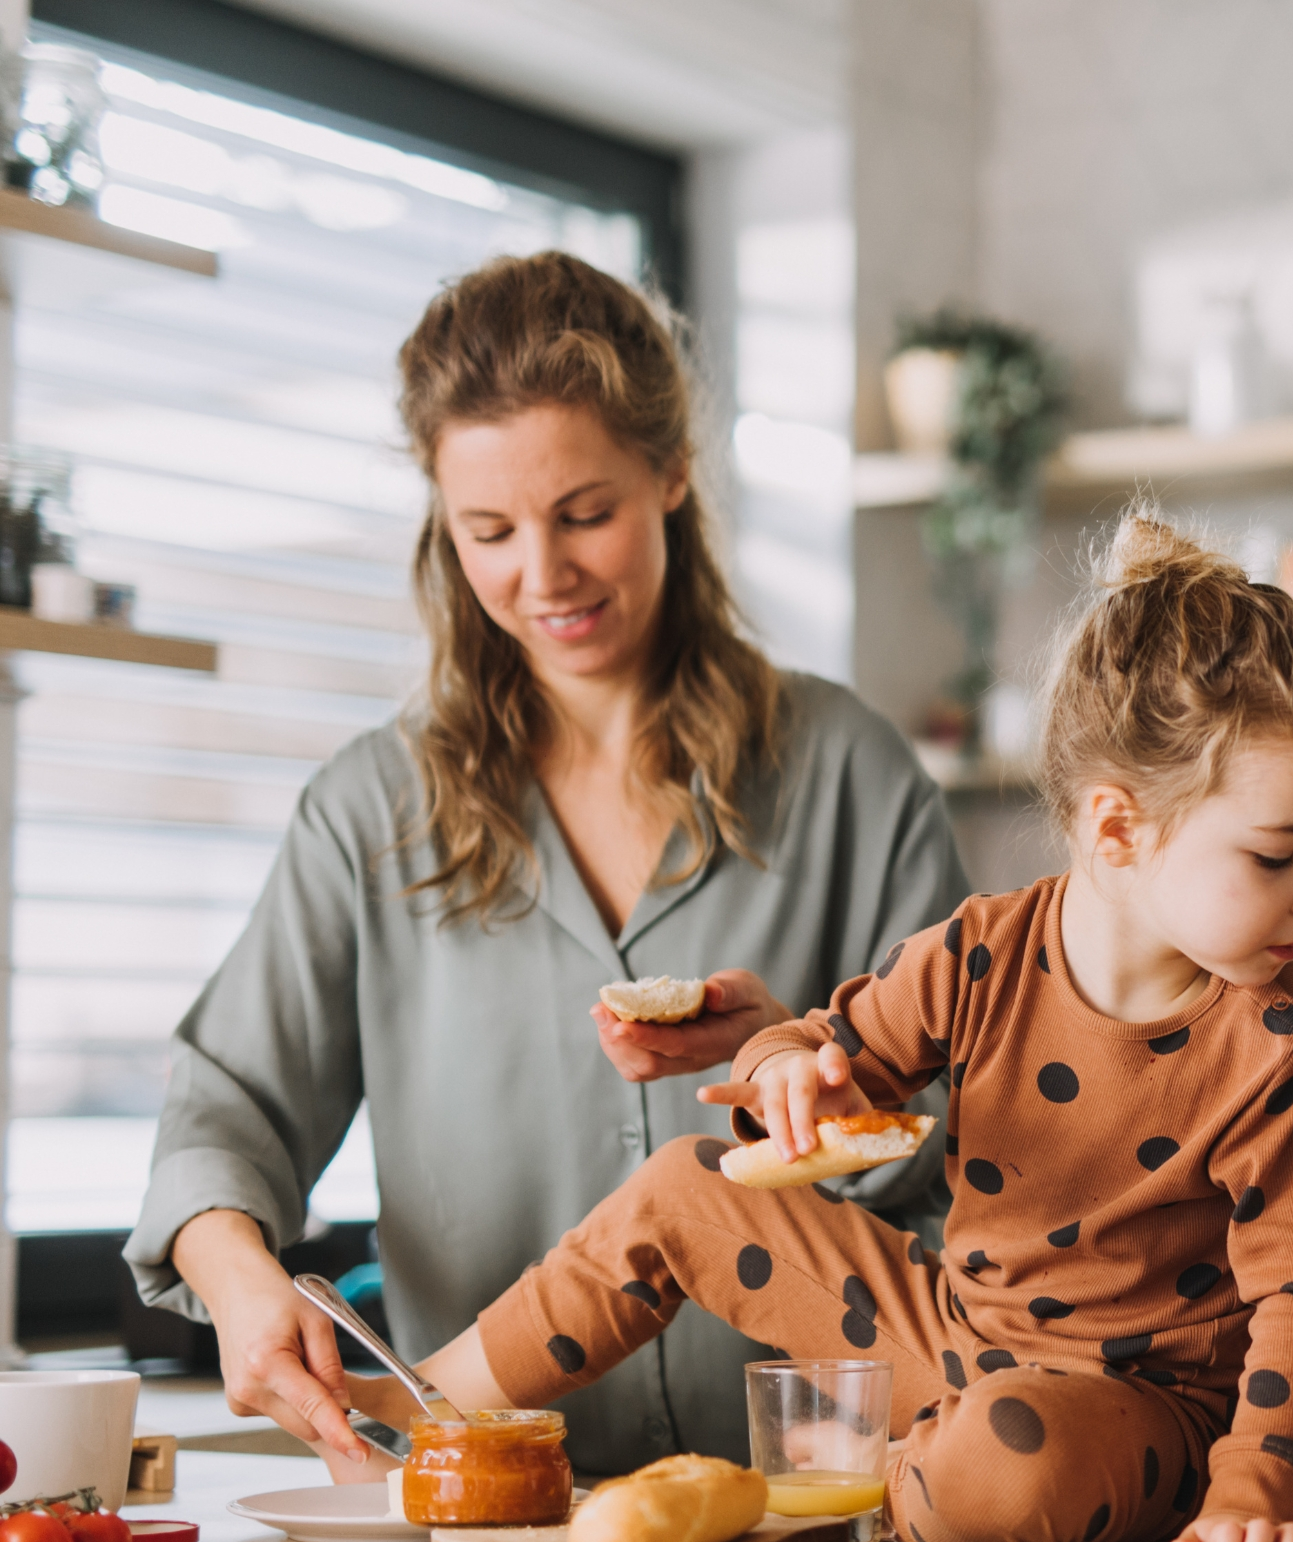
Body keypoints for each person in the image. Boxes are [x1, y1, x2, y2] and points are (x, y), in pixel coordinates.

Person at [351, 513, 1293, 1542]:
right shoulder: (979, 951)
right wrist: (784, 1073)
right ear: (1117, 828)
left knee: (1008, 1456)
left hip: (1138, 1413)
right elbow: (813, 1045)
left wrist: (1250, 1494)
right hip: (945, 1330)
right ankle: (420, 1406)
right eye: (1277, 856)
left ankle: (875, 1475)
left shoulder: (1279, 1042)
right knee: (675, 1188)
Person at [124, 252, 967, 1478]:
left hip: (826, 1504)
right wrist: (239, 1273)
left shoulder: (853, 773)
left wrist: (814, 1064)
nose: (543, 574)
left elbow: (979, 1142)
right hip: (486, 1511)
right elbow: (225, 1109)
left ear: (671, 471)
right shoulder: (371, 810)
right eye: (489, 530)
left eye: (585, 513)